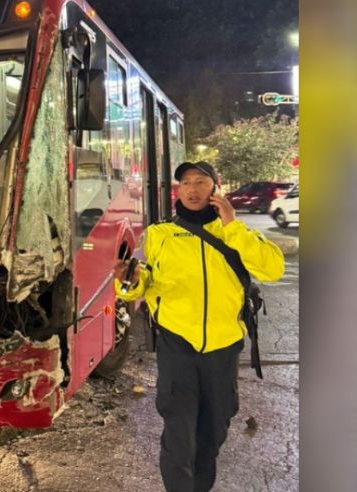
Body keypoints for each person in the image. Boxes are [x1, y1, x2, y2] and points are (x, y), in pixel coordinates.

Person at [114, 161, 284, 492]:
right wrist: (130, 282)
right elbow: (144, 283)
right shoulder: (160, 234)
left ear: (215, 189)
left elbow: (272, 268)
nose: (192, 189)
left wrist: (232, 226)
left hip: (223, 348)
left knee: (213, 432)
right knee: (179, 435)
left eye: (201, 182)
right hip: (177, 346)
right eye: (186, 182)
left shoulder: (235, 233)